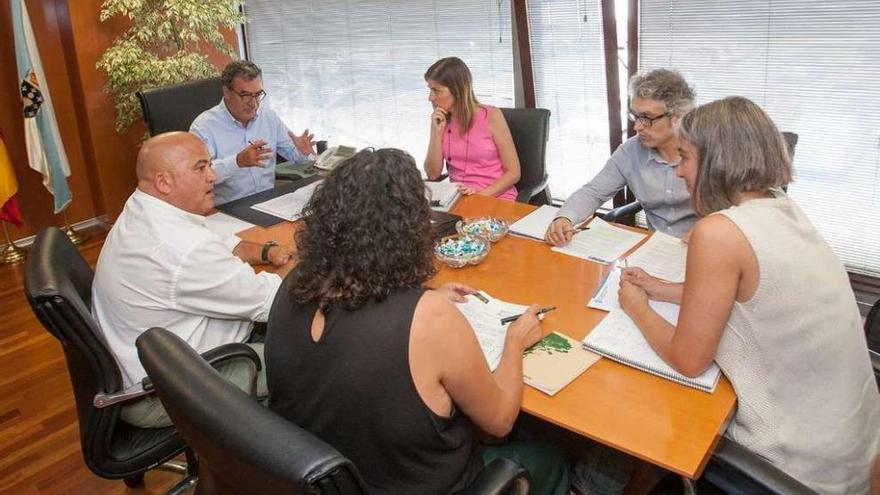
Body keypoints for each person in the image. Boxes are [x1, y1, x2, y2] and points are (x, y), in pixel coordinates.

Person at [266, 149, 569, 495]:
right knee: (550, 456)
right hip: (418, 484)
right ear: (410, 231)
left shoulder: (294, 280)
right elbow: (500, 420)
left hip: (323, 481)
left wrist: (425, 300)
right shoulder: (430, 319)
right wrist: (514, 341)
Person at [618, 96, 880, 493]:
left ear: (715, 161)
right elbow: (755, 292)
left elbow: (688, 360)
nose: (678, 169)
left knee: (651, 418)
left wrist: (637, 307)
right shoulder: (781, 206)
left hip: (795, 468)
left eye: (685, 156)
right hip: (852, 448)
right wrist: (662, 289)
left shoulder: (719, 232)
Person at [92, 131, 295, 429]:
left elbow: (219, 241)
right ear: (164, 181)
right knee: (311, 354)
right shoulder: (180, 247)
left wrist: (267, 250)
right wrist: (302, 261)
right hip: (167, 390)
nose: (212, 176)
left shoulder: (145, 208)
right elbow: (274, 301)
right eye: (201, 168)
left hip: (154, 365)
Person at [545, 68, 697, 245]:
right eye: (636, 116)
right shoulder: (631, 150)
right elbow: (594, 192)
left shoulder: (712, 150)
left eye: (646, 118)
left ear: (677, 117)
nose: (637, 127)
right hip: (655, 249)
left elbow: (735, 206)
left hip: (707, 249)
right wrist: (565, 218)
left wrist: (708, 231)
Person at [190, 60, 315, 205]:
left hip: (269, 203)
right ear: (226, 92)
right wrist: (237, 162)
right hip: (227, 210)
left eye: (258, 95)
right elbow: (199, 177)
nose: (253, 103)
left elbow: (297, 157)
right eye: (245, 95)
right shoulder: (204, 127)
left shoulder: (268, 117)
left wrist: (303, 152)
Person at [423, 57, 521, 201]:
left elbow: (514, 173)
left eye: (436, 91)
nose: (430, 98)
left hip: (495, 197)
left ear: (458, 91)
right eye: (430, 90)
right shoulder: (442, 121)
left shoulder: (492, 116)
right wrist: (436, 133)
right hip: (458, 200)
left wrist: (479, 197)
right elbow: (432, 174)